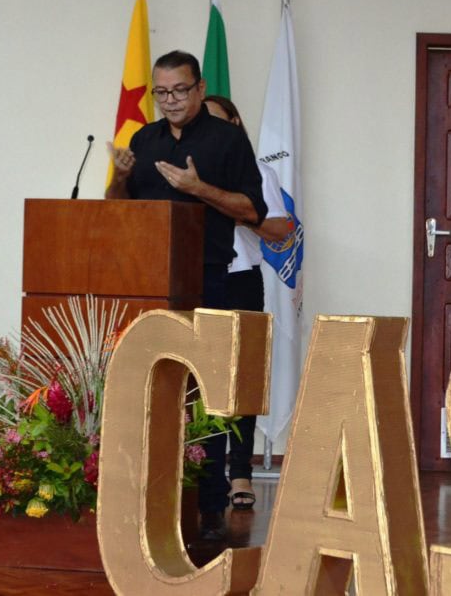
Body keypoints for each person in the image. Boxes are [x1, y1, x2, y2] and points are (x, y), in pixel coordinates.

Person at [106, 50, 267, 540]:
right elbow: (119, 210)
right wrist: (122, 177)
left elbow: (252, 209)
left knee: (205, 392)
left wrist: (200, 189)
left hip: (207, 278)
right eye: (161, 92)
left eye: (179, 90)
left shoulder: (227, 139)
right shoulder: (145, 139)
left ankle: (209, 503)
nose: (170, 100)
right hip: (149, 283)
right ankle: (144, 495)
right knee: (153, 388)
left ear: (199, 88)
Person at [203, 95, 288, 511]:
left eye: (217, 123)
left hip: (240, 282)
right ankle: (203, 474)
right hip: (194, 280)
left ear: (235, 124)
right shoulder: (182, 172)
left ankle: (239, 472)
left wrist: (233, 211)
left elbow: (281, 231)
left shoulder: (255, 171)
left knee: (242, 379)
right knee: (200, 382)